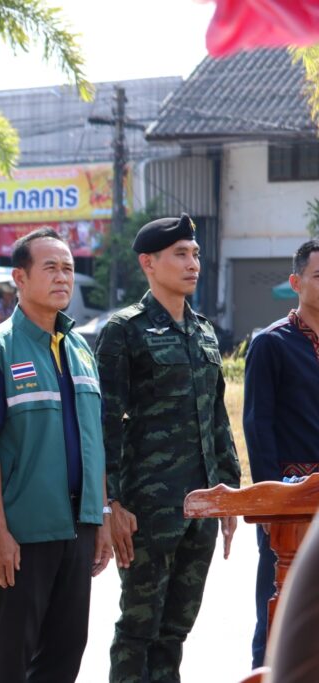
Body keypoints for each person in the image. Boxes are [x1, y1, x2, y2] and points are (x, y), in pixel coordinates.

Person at [96, 213, 241, 683]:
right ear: (149, 263)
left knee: (176, 629)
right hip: (147, 508)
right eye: (180, 254)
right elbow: (104, 421)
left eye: (195, 253)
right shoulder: (125, 330)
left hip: (202, 504)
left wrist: (230, 492)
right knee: (138, 629)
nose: (193, 263)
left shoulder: (204, 330)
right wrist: (110, 502)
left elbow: (217, 416)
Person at [0, 227, 112, 683]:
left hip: (79, 527)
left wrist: (102, 516)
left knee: (65, 653)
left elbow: (94, 439)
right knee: (12, 657)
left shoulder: (80, 348)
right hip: (24, 532)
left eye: (68, 268)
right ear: (20, 278)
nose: (62, 277)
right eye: (50, 267)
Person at [243, 238, 319, 667]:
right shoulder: (272, 343)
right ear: (296, 282)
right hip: (290, 503)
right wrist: (272, 503)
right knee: (280, 613)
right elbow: (258, 426)